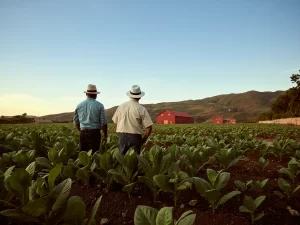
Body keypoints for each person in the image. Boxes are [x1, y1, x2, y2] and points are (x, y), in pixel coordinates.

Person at [112, 85, 153, 155]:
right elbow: (149, 127)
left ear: (130, 95)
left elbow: (116, 122)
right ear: (140, 97)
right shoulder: (141, 108)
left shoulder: (121, 106)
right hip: (135, 137)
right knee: (134, 160)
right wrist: (144, 139)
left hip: (122, 136)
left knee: (122, 159)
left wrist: (121, 132)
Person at [73, 84, 108, 153]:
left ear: (86, 94)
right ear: (95, 95)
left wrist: (81, 131)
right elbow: (104, 123)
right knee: (94, 154)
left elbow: (76, 121)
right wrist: (105, 136)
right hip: (95, 133)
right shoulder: (100, 105)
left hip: (83, 132)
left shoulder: (79, 105)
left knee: (83, 154)